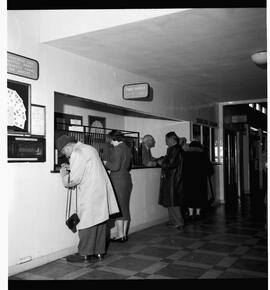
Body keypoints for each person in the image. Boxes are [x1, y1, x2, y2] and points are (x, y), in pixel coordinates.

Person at [56, 135, 119, 263]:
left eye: (64, 152)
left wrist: (64, 175)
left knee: (86, 222)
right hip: (100, 190)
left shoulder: (77, 153)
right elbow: (88, 167)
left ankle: (84, 253)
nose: (66, 156)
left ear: (67, 146)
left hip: (90, 192)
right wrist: (71, 167)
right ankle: (99, 252)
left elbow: (74, 179)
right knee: (99, 221)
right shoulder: (89, 148)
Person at [103, 130, 133, 242]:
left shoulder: (117, 149)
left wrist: (105, 163)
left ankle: (120, 235)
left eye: (110, 140)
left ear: (113, 138)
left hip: (117, 180)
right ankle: (123, 234)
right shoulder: (126, 148)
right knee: (125, 207)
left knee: (119, 208)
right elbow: (128, 165)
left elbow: (115, 167)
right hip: (126, 179)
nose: (109, 142)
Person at [157, 131, 185, 231]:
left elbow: (171, 164)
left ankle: (178, 222)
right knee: (171, 201)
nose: (166, 142)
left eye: (166, 140)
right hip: (174, 179)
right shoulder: (176, 149)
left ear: (171, 139)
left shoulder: (175, 150)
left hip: (173, 180)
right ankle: (174, 221)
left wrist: (161, 162)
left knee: (173, 202)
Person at [182, 140, 214, 221]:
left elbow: (182, 168)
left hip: (188, 180)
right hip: (201, 180)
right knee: (200, 197)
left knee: (190, 197)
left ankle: (191, 214)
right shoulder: (203, 155)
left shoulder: (185, 155)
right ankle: (198, 214)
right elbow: (210, 170)